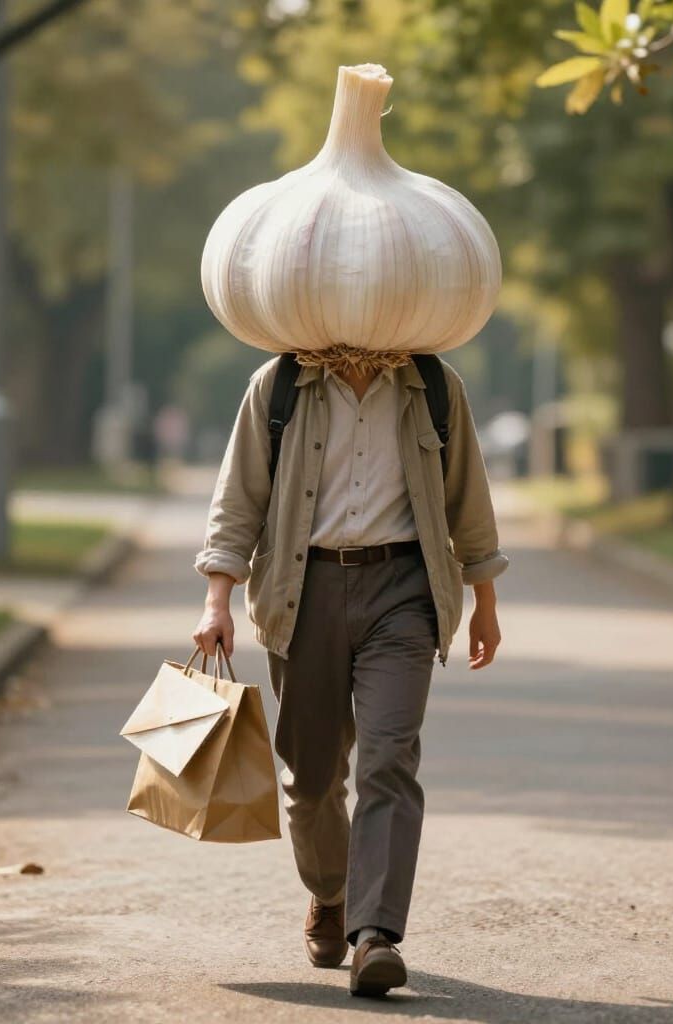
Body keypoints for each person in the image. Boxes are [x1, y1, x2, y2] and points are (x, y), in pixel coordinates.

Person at [192, 353, 507, 997]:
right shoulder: (279, 383)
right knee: (312, 780)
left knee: (388, 759)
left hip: (404, 591)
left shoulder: (434, 385)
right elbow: (238, 498)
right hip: (302, 590)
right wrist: (216, 600)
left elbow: (466, 495)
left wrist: (485, 605)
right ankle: (330, 894)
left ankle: (376, 936)